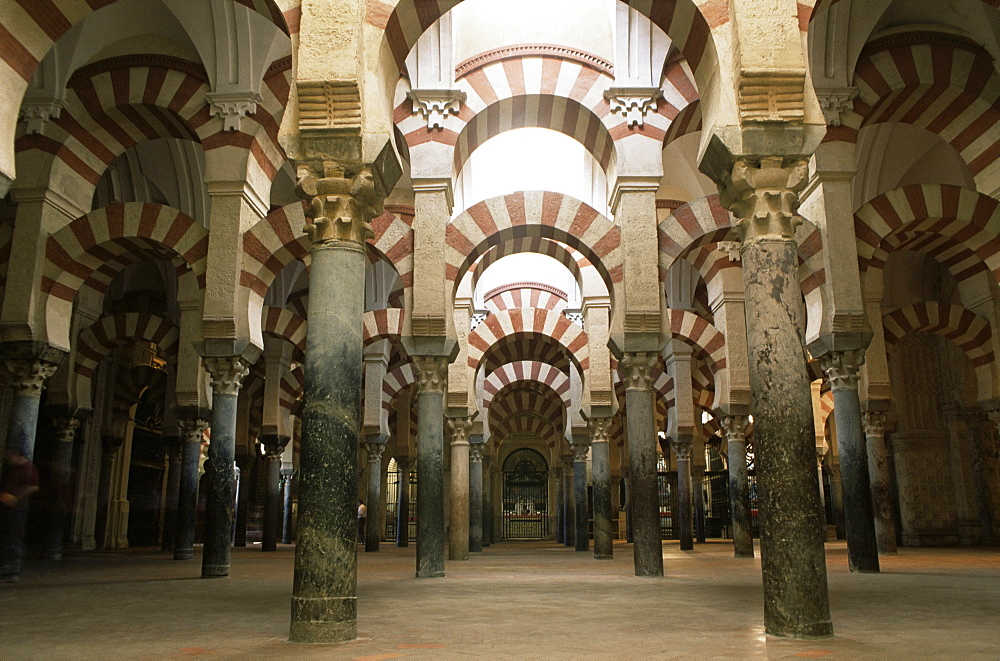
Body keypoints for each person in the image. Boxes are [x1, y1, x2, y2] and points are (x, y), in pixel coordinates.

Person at [0, 451, 40, 583]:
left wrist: (16, 497)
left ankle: (14, 569)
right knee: (6, 536)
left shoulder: (28, 468)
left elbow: (33, 487)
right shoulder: (12, 469)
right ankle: (6, 566)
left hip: (18, 508)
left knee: (14, 537)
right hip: (8, 506)